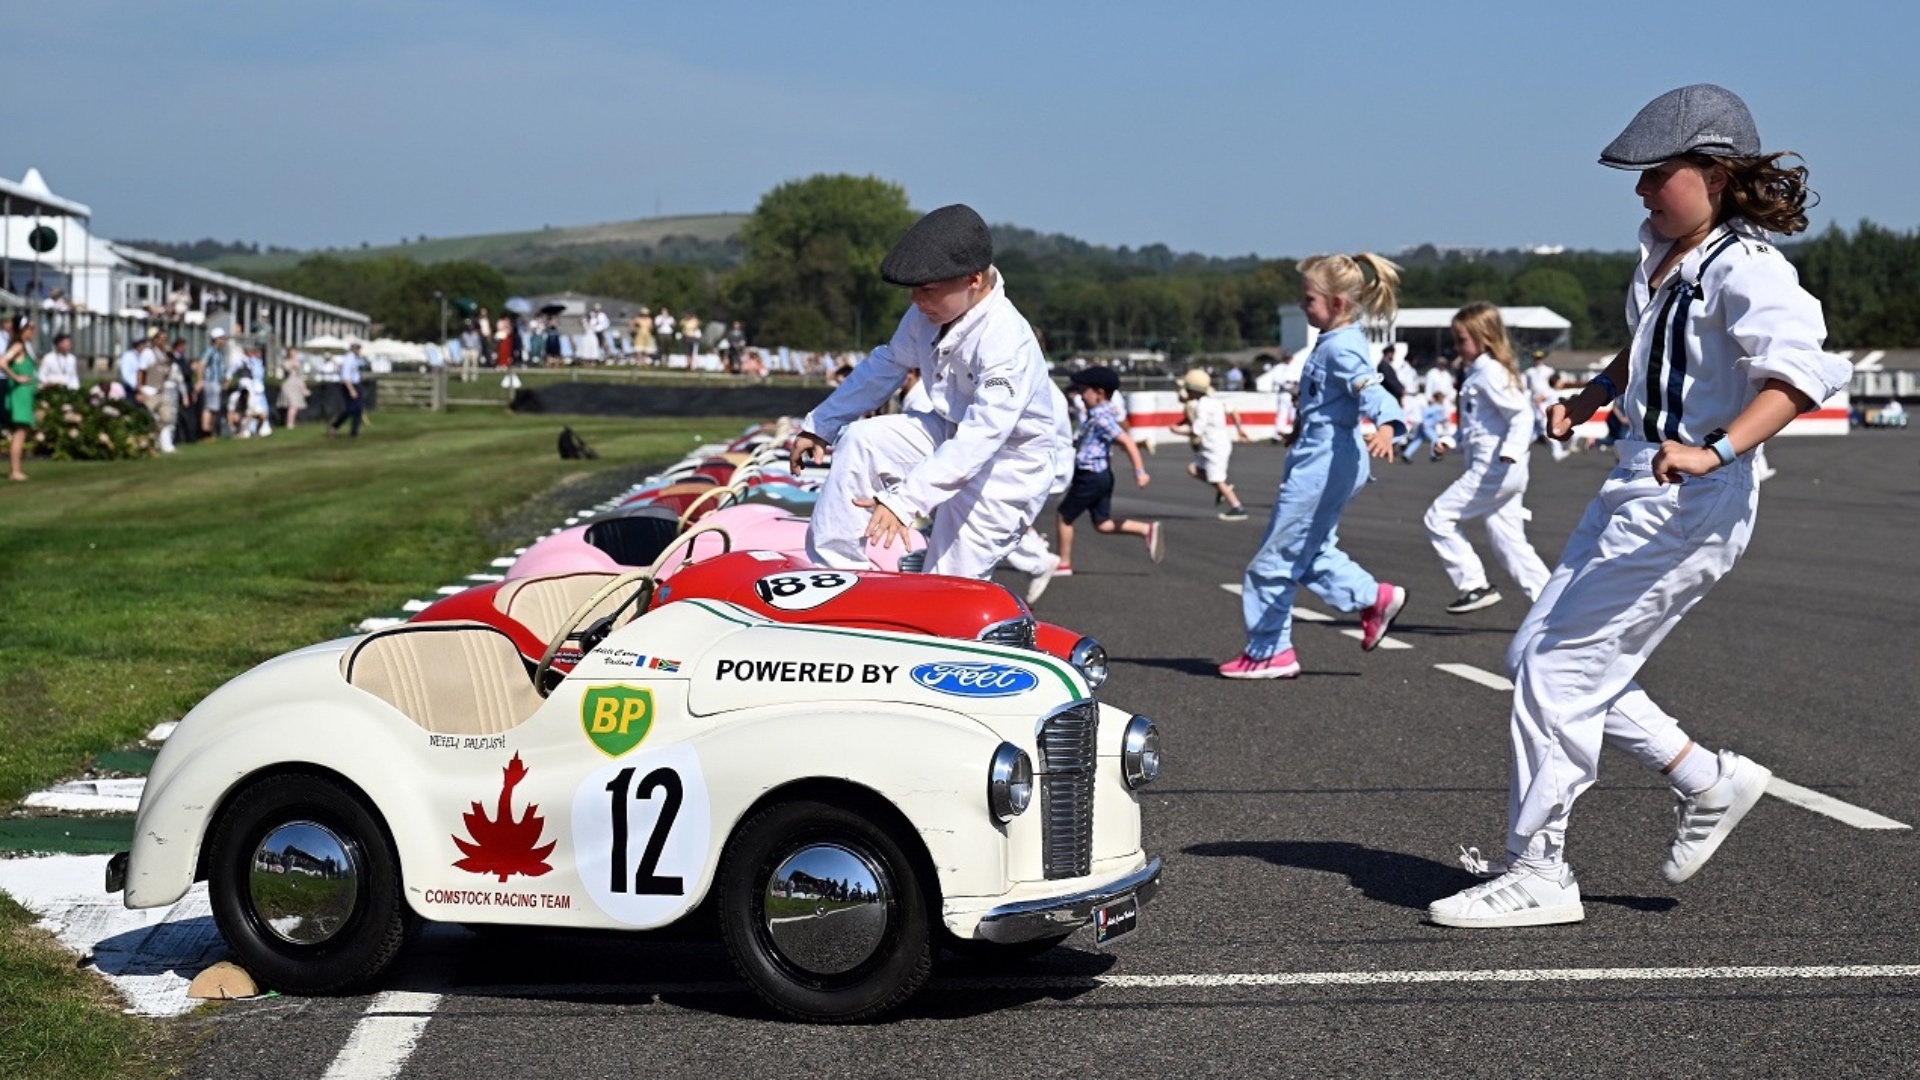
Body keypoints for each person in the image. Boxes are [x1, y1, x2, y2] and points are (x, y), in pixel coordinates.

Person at [1428, 84, 1852, 929]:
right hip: (1632, 483)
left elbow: (1804, 375)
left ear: (1719, 175)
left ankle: (1537, 870)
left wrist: (1718, 448)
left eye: (1660, 172)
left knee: (1557, 674)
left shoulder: (1748, 266)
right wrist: (1591, 394)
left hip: (1689, 500)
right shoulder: (1664, 253)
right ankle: (1706, 778)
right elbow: (1651, 338)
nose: (1643, 188)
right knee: (1537, 658)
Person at [789, 204, 1068, 580]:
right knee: (862, 440)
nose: (915, 301)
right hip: (948, 431)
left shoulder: (1007, 341)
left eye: (927, 290)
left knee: (947, 582)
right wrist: (820, 425)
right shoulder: (929, 313)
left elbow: (982, 437)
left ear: (972, 279)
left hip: (1006, 466)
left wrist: (903, 503)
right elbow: (886, 365)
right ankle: (837, 576)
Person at [1222, 253, 1407, 679]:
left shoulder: (1342, 348)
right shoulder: (1341, 340)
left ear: (1337, 303)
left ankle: (1270, 650)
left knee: (1272, 562)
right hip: (1329, 455)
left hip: (1323, 464)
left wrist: (1387, 425)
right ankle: (1371, 598)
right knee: (1310, 551)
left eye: (1309, 300)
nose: (1303, 307)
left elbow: (1370, 389)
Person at [1422, 303, 1552, 615]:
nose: (1457, 347)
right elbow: (1477, 428)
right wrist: (1449, 441)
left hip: (1495, 468)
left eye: (1462, 340)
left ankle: (1474, 584)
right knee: (1509, 544)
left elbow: (1521, 416)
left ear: (1485, 339)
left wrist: (1510, 450)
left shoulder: (1490, 372)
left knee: (1438, 518)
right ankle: (1557, 608)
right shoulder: (1479, 373)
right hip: (1503, 469)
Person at [1055, 365, 1163, 571]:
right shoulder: (1098, 414)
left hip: (1091, 476)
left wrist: (1140, 472)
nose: (1080, 396)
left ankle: (1064, 562)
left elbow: (1127, 442)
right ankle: (1146, 530)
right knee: (1102, 524)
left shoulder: (1102, 417)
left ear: (1099, 393)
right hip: (1100, 475)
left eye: (1083, 390)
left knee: (1064, 516)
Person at [1170, 369, 1247, 520]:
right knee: (1193, 469)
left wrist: (1177, 431)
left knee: (1216, 478)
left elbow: (1197, 430)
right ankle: (1223, 489)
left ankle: (1237, 507)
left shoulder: (1202, 407)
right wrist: (1239, 429)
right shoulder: (1213, 402)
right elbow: (1232, 410)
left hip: (1214, 446)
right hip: (1214, 444)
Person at [4, 315, 37, 481]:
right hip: (20, 394)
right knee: (20, 432)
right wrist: (17, 378)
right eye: (30, 328)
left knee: (21, 431)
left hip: (25, 394)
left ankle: (16, 469)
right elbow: (2, 362)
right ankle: (15, 471)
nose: (33, 332)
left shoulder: (24, 346)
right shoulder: (18, 346)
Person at [329, 342, 366, 437]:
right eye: (357, 349)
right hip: (350, 384)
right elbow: (346, 376)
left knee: (358, 409)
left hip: (356, 383)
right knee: (351, 408)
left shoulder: (354, 359)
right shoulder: (348, 359)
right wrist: (351, 390)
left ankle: (354, 431)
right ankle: (335, 425)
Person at [198, 328, 231, 437]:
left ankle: (211, 430)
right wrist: (200, 380)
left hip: (217, 382)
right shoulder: (211, 350)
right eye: (221, 338)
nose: (223, 341)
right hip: (211, 382)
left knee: (214, 408)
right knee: (209, 408)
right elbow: (202, 364)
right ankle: (206, 431)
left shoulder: (220, 352)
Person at [279, 348, 309, 428]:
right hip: (289, 385)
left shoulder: (299, 363)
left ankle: (291, 422)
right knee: (292, 404)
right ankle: (289, 423)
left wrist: (304, 388)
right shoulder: (286, 362)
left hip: (297, 385)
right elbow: (286, 369)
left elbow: (301, 376)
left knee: (295, 405)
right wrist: (292, 364)